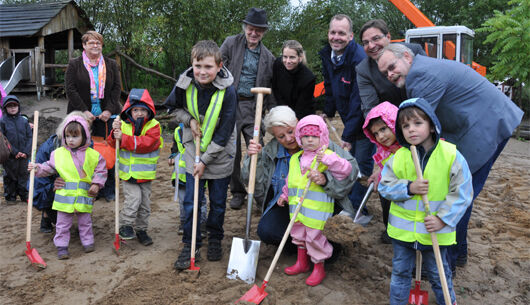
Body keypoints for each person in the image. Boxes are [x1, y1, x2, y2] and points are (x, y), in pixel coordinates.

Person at [377, 43, 524, 270]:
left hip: (484, 128)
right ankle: (458, 253)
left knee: (458, 192)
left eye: (392, 67)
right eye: (385, 73)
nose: (390, 74)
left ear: (406, 55)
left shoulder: (420, 75)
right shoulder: (422, 69)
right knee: (459, 190)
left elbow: (421, 126)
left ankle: (448, 261)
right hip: (480, 123)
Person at [379, 97, 473, 305]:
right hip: (403, 233)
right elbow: (384, 186)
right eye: (405, 126)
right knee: (401, 273)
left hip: (435, 232)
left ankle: (448, 301)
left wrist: (442, 219)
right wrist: (408, 188)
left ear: (431, 125)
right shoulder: (399, 157)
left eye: (418, 123)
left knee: (439, 274)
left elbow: (462, 192)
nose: (411, 129)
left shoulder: (451, 155)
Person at [164, 40, 237, 270]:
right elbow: (172, 109)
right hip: (192, 148)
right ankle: (190, 243)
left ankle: (214, 238)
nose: (202, 72)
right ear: (192, 64)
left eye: (208, 66)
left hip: (220, 152)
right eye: (198, 66)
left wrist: (205, 160)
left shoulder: (229, 91)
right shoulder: (184, 83)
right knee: (191, 203)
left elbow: (225, 132)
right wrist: (190, 120)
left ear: (219, 66)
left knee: (217, 202)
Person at [242, 106, 358, 250]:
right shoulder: (271, 151)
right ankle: (303, 248)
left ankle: (312, 247)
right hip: (290, 207)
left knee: (332, 249)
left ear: (297, 123)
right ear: (274, 137)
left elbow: (352, 171)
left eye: (291, 131)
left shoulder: (322, 144)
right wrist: (254, 159)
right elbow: (255, 185)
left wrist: (326, 180)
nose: (289, 138)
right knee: (267, 231)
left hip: (322, 207)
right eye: (281, 136)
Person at [277, 115, 352, 286]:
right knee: (298, 236)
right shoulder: (296, 158)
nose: (310, 140)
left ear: (322, 136)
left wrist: (328, 160)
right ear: (299, 137)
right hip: (297, 209)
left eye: (314, 136)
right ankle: (302, 263)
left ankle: (319, 267)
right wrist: (285, 194)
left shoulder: (326, 156)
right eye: (305, 136)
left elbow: (345, 170)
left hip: (316, 211)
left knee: (315, 239)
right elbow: (291, 179)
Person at [28, 114, 107, 259]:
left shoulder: (93, 155)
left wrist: (97, 184)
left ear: (84, 136)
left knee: (85, 221)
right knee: (62, 224)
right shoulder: (57, 154)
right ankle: (62, 246)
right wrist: (37, 168)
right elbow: (49, 167)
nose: (70, 140)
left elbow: (101, 170)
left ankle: (88, 242)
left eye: (75, 136)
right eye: (68, 136)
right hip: (64, 197)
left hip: (84, 195)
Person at [220, 7, 276, 210]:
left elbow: (271, 86)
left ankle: (259, 191)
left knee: (256, 148)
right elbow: (217, 69)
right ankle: (237, 192)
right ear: (245, 28)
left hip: (254, 106)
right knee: (232, 151)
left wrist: (273, 113)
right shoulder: (230, 44)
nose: (254, 34)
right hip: (230, 104)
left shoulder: (268, 57)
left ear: (264, 32)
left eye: (258, 31)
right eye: (251, 29)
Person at [319, 14, 374, 216]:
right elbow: (330, 86)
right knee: (349, 160)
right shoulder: (328, 55)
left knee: (361, 161)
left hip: (368, 119)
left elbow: (357, 101)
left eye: (342, 33)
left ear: (350, 36)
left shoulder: (358, 59)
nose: (336, 37)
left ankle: (357, 209)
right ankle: (348, 202)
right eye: (333, 32)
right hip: (349, 116)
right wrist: (327, 111)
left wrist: (348, 135)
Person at [65, 30, 121, 202]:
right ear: (84, 45)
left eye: (98, 42)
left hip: (106, 116)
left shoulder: (111, 64)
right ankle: (89, 188)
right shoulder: (74, 64)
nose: (95, 45)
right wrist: (84, 111)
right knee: (85, 152)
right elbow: (70, 89)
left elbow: (116, 89)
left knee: (107, 151)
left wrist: (109, 110)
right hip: (82, 114)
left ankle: (108, 188)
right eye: (91, 42)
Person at [108, 88, 162, 247]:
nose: (139, 113)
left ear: (149, 111)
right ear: (129, 111)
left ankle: (142, 230)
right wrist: (114, 132)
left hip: (145, 175)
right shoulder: (122, 125)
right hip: (128, 174)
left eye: (143, 110)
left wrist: (123, 139)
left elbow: (147, 144)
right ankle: (125, 225)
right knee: (134, 200)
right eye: (135, 110)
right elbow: (112, 143)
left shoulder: (154, 126)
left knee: (144, 204)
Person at [356, 19, 426, 115]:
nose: (371, 46)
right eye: (366, 43)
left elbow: (430, 84)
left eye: (376, 38)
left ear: (388, 37)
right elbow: (371, 109)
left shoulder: (414, 51)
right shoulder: (364, 70)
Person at [362, 101, 401, 244]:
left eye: (384, 129)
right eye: (376, 134)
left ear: (395, 123)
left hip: (404, 191)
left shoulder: (408, 149)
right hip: (388, 187)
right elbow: (385, 164)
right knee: (386, 205)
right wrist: (378, 174)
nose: (381, 136)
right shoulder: (385, 149)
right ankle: (389, 229)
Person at [169, 122, 207, 235]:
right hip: (181, 175)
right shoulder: (177, 131)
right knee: (183, 201)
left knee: (200, 200)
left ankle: (202, 223)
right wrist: (171, 157)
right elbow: (174, 148)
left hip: (197, 173)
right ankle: (184, 222)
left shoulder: (202, 131)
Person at [272, 40, 315, 120]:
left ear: (300, 58)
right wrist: (282, 107)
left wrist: (294, 120)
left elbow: (302, 106)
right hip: (282, 108)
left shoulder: (308, 78)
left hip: (303, 114)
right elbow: (275, 87)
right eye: (285, 57)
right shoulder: (278, 64)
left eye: (292, 57)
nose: (288, 61)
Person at [1, 95, 32, 204]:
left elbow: (29, 137)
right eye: (9, 106)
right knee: (10, 176)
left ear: (19, 107)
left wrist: (25, 152)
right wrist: (14, 152)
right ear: (5, 108)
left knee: (23, 174)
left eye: (14, 106)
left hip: (24, 154)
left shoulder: (23, 121)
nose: (12, 108)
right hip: (10, 156)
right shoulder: (3, 122)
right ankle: (10, 197)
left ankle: (24, 195)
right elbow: (3, 139)